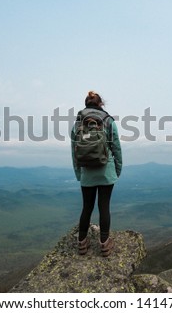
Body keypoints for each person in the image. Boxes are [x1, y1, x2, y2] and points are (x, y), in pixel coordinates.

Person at [71, 91, 122, 257]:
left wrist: (79, 173)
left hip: (87, 173)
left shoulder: (78, 124)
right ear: (101, 104)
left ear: (86, 105)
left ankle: (82, 244)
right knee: (104, 207)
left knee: (87, 207)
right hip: (106, 172)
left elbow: (74, 151)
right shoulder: (108, 121)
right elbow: (116, 148)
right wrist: (117, 169)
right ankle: (105, 245)